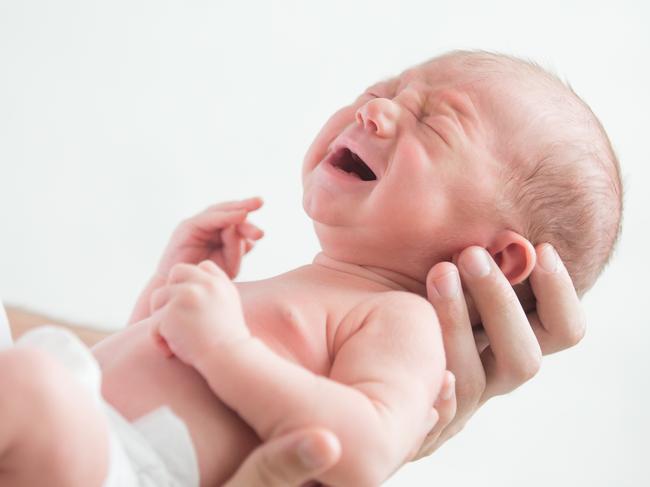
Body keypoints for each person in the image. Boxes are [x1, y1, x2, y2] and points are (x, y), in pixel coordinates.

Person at [0, 50, 619, 486]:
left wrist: (223, 346)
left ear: (500, 259)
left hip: (132, 466)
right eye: (380, 91)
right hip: (91, 422)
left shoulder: (401, 321)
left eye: (434, 124)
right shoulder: (314, 285)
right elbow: (133, 372)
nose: (371, 112)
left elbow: (365, 452)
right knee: (31, 381)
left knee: (31, 388)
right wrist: (165, 291)